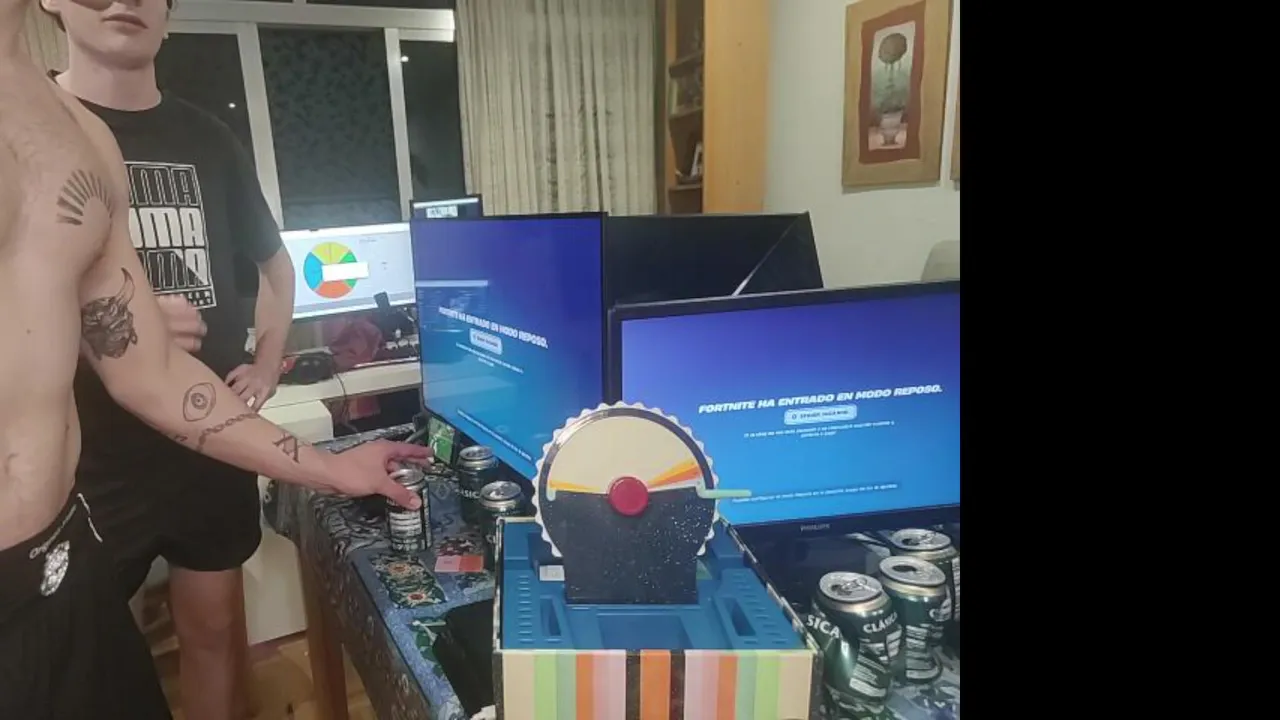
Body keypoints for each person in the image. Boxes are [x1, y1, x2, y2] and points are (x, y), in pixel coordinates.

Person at [0, 1, 427, 716]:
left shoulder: (81, 140)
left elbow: (151, 372)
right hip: (97, 480)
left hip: (62, 561)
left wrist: (332, 467)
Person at [45, 1, 295, 716]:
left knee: (213, 634)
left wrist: (267, 361)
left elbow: (277, 268)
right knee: (92, 662)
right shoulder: (31, 128)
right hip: (87, 457)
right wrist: (117, 323)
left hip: (208, 444)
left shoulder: (209, 138)